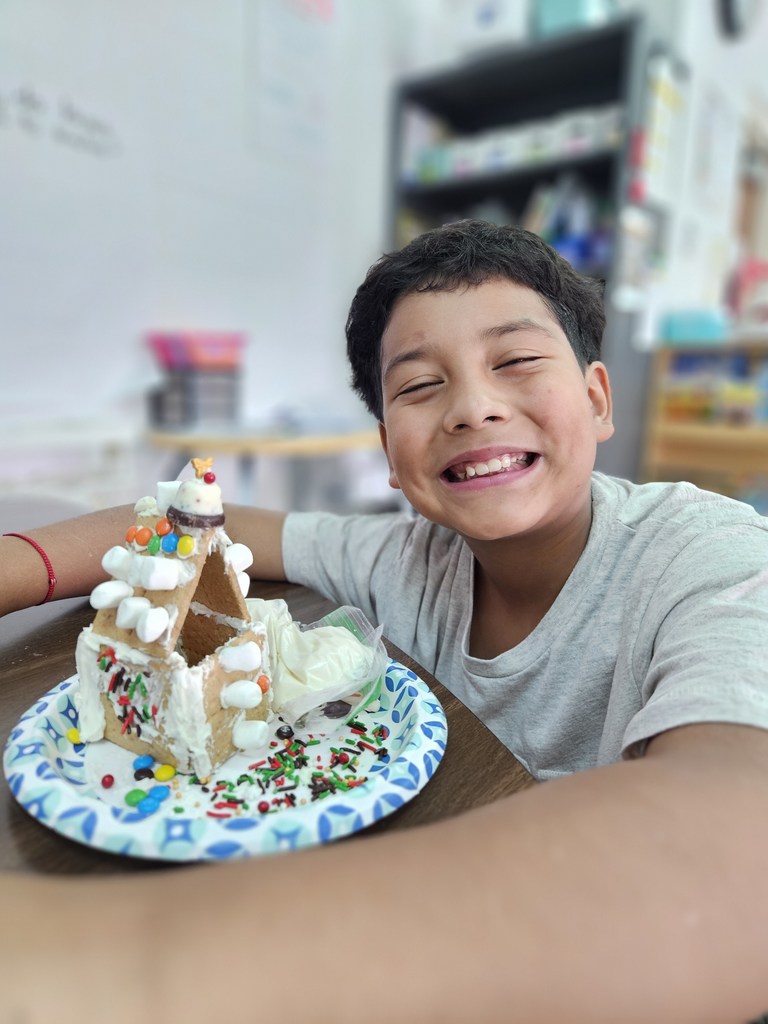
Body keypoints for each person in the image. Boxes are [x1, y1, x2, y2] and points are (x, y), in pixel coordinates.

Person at [3, 220, 768, 1023]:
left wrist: (103, 973)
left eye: (516, 361)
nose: (473, 407)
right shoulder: (409, 557)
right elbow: (181, 526)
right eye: (418, 386)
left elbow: (732, 851)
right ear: (391, 455)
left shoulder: (712, 556)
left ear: (597, 399)